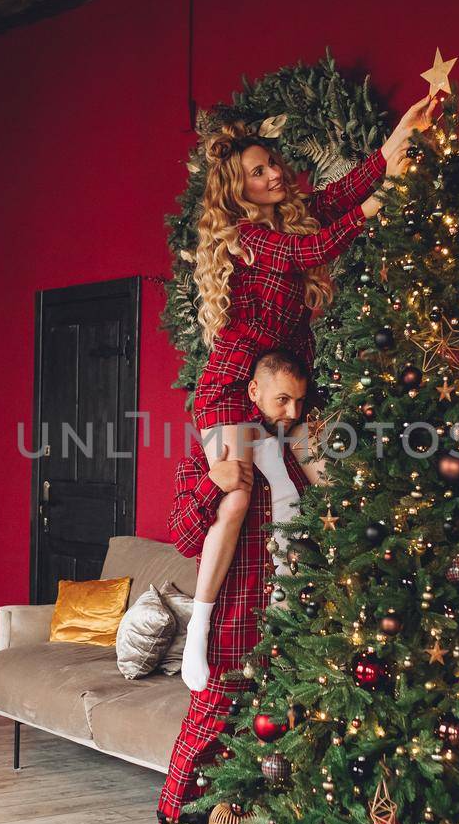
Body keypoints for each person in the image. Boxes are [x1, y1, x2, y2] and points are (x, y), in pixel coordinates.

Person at [178, 92, 442, 692]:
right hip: (230, 386)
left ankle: (301, 615)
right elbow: (314, 249)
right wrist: (380, 204)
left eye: (273, 164)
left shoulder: (292, 215)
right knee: (239, 498)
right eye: (257, 171)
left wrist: (403, 134)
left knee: (317, 486)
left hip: (282, 387)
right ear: (236, 189)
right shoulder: (247, 237)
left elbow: (345, 190)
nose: (274, 174)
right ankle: (198, 631)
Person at [157, 349, 320, 824]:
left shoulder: (294, 455)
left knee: (280, 746)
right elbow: (183, 538)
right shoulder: (217, 449)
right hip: (234, 625)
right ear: (253, 392)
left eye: (299, 402)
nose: (292, 412)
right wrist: (213, 483)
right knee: (205, 735)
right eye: (282, 400)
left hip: (292, 625)